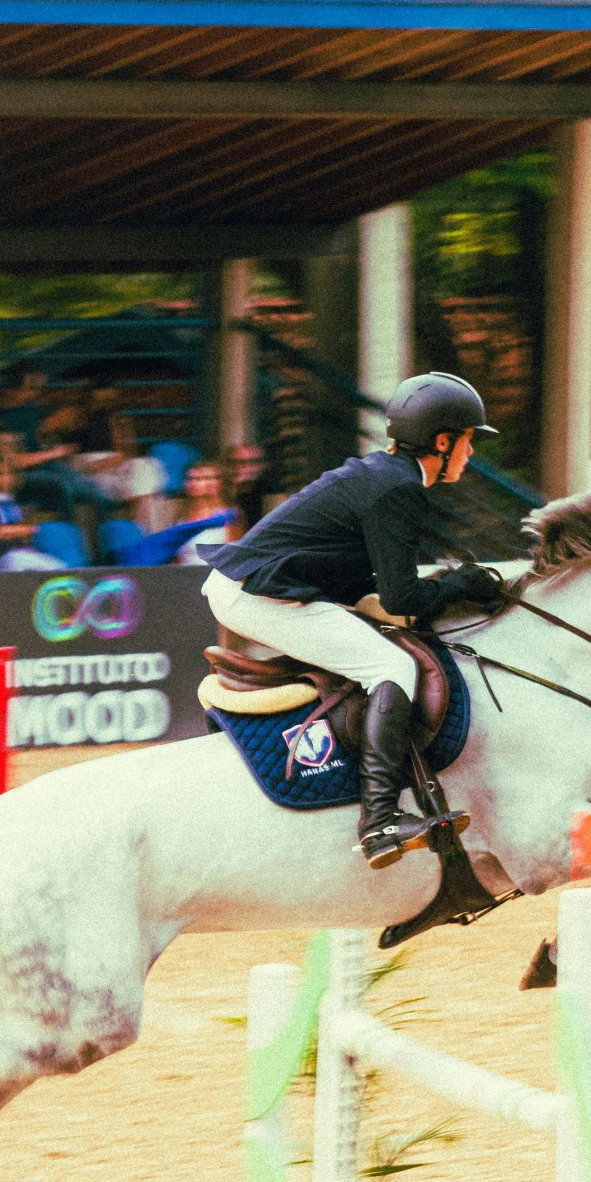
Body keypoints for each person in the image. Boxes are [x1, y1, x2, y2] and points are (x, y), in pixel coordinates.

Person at [200, 372, 506, 869]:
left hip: (257, 587)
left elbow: (385, 586)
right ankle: (380, 821)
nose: (471, 454)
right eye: (468, 441)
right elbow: (402, 594)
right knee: (392, 668)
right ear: (443, 441)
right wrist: (464, 583)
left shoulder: (388, 476)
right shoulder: (398, 489)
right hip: (256, 596)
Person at [0, 456, 66, 572]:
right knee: (16, 560)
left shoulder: (11, 501)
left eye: (1, 475)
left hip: (21, 555)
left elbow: (27, 530)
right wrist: (30, 529)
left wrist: (26, 529)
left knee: (59, 568)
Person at [168, 460, 239, 565]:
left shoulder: (231, 515)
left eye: (205, 478)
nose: (194, 484)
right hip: (185, 576)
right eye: (190, 479)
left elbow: (236, 558)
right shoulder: (181, 516)